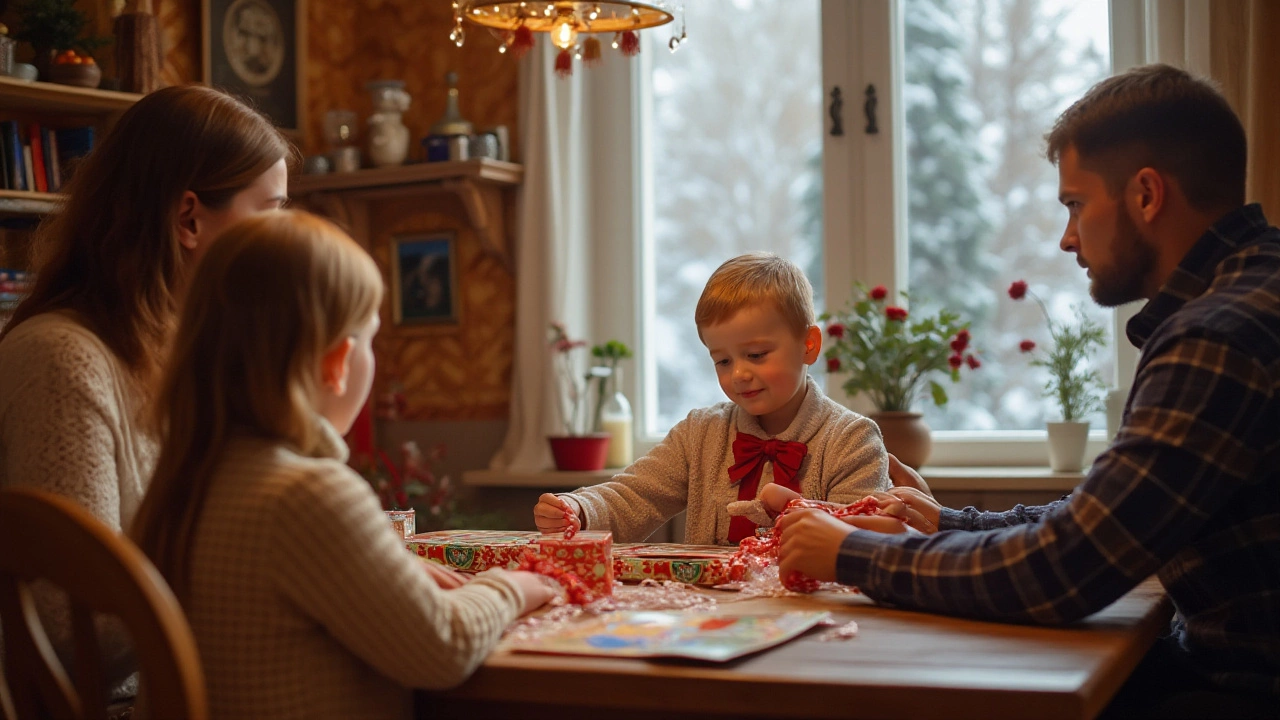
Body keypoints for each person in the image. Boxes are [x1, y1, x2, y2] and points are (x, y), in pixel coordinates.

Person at [776, 64, 1279, 715]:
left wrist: (854, 554)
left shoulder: (1218, 335)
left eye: (1075, 204)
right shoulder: (1249, 290)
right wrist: (944, 523)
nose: (1067, 238)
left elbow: (1066, 569)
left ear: (1146, 195)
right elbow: (1104, 514)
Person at [130, 211, 555, 718]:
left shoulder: (181, 481)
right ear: (337, 362)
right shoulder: (308, 493)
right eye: (370, 340)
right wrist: (511, 586)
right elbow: (445, 647)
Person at [0, 84, 291, 698]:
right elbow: (73, 632)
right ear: (188, 219)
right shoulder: (63, 360)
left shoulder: (186, 357)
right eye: (270, 211)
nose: (283, 241)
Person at [533, 252, 890, 545]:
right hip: (711, 616)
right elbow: (634, 496)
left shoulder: (852, 440)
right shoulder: (701, 434)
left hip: (814, 618)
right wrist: (579, 508)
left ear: (809, 345)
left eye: (756, 354)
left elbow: (863, 544)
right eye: (722, 360)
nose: (738, 374)